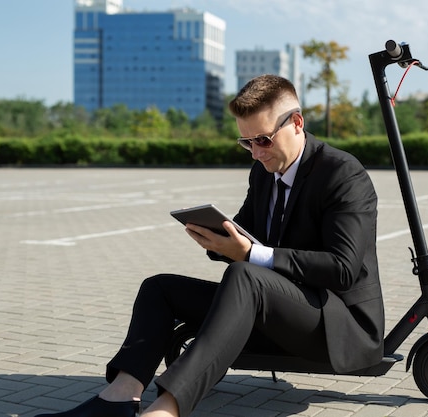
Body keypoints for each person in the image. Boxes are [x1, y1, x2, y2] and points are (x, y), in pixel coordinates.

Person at [36, 74, 385, 417]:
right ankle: (120, 397)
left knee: (245, 274)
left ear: (296, 123)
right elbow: (245, 234)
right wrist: (217, 240)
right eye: (246, 143)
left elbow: (342, 269)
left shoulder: (342, 173)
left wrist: (248, 254)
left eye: (263, 139)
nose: (255, 154)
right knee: (159, 289)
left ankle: (166, 410)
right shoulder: (264, 172)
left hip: (337, 326)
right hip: (273, 314)